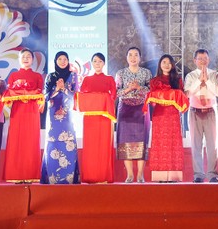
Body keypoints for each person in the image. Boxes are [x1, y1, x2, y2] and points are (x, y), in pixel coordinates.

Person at [4, 48, 44, 183]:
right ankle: (16, 174)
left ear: (32, 59)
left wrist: (27, 93)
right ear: (19, 59)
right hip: (18, 111)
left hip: (32, 111)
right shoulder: (13, 76)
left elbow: (40, 94)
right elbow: (9, 94)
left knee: (31, 141)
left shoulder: (38, 76)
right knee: (17, 140)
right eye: (23, 56)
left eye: (28, 56)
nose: (26, 58)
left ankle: (30, 174)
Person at [146, 54, 188, 182]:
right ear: (160, 64)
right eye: (164, 62)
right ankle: (160, 176)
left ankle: (174, 176)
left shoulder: (178, 80)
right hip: (159, 114)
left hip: (173, 115)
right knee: (160, 143)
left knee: (173, 143)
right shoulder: (154, 81)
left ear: (173, 65)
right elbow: (152, 100)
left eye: (169, 62)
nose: (166, 65)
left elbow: (182, 98)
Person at [183, 48, 218, 183]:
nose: (202, 61)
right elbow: (188, 93)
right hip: (195, 111)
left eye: (205, 58)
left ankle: (212, 174)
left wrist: (207, 81)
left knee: (212, 144)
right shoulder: (190, 76)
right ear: (195, 60)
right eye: (200, 59)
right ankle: (198, 174)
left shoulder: (215, 74)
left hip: (210, 110)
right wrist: (200, 81)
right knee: (196, 144)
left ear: (208, 59)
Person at [114, 47, 152, 183]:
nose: (133, 57)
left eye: (136, 55)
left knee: (142, 140)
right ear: (126, 57)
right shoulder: (121, 73)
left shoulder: (146, 73)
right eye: (130, 55)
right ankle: (130, 175)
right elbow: (116, 93)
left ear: (140, 58)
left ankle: (140, 175)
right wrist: (129, 88)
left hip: (141, 109)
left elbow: (151, 90)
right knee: (125, 141)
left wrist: (139, 87)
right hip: (124, 109)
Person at [78, 53, 117, 183]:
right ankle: (90, 176)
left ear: (104, 63)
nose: (97, 64)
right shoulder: (86, 79)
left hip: (104, 117)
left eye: (100, 61)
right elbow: (82, 97)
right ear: (92, 63)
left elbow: (113, 97)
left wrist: (101, 98)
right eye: (95, 61)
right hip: (90, 118)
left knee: (104, 145)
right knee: (91, 146)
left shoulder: (110, 79)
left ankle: (103, 176)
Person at [41, 51, 79, 184]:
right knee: (53, 143)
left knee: (68, 142)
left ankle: (69, 178)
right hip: (52, 116)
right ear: (55, 61)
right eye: (60, 59)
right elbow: (45, 96)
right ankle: (52, 178)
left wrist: (64, 89)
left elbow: (75, 96)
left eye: (65, 59)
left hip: (68, 116)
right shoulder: (50, 77)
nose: (63, 61)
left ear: (68, 61)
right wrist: (56, 89)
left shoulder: (73, 76)